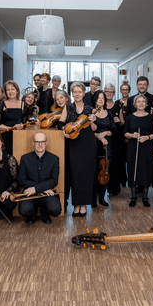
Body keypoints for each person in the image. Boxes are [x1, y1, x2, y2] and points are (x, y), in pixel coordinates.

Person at [57, 82, 97, 217]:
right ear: (72, 94)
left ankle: (83, 205)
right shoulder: (68, 107)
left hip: (88, 144)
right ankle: (76, 205)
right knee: (75, 174)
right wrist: (65, 130)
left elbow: (94, 129)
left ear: (84, 93)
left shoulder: (90, 109)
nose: (77, 94)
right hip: (74, 143)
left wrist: (92, 121)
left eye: (80, 92)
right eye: (75, 92)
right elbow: (60, 123)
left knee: (86, 174)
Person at [17, 131, 62, 224]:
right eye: (37, 142)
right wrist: (41, 188)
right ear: (33, 143)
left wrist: (36, 188)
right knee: (24, 210)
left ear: (46, 143)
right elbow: (22, 180)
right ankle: (32, 214)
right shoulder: (25, 158)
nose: (40, 144)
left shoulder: (54, 159)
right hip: (30, 194)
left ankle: (44, 212)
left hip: (46, 194)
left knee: (55, 210)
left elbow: (54, 180)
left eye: (42, 142)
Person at [124, 94, 153, 207]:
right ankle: (133, 197)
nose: (141, 103)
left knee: (146, 170)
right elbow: (125, 133)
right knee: (133, 170)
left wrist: (146, 137)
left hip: (147, 147)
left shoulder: (150, 117)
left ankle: (145, 197)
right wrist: (132, 135)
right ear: (135, 104)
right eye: (138, 101)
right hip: (133, 147)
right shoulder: (130, 117)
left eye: (143, 101)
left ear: (146, 104)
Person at [91, 90, 115, 207]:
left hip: (107, 146)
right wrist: (98, 136)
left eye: (102, 98)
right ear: (95, 100)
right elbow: (89, 131)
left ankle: (102, 197)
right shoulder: (91, 113)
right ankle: (93, 198)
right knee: (95, 172)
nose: (100, 100)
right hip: (95, 145)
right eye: (98, 98)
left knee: (105, 171)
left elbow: (113, 130)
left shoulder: (109, 113)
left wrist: (104, 133)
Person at [0, 81, 28, 155]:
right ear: (5, 92)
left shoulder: (23, 104)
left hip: (18, 137)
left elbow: (24, 122)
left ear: (17, 91)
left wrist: (21, 126)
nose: (10, 92)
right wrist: (11, 128)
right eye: (8, 90)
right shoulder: (2, 104)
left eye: (12, 89)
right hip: (5, 137)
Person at [105, 83, 125, 195]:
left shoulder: (118, 106)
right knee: (104, 163)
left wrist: (119, 121)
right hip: (104, 137)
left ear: (114, 93)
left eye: (111, 92)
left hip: (116, 137)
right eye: (107, 91)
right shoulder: (101, 105)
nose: (109, 93)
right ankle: (101, 190)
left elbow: (122, 123)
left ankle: (114, 189)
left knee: (115, 163)